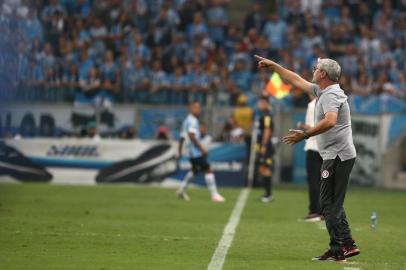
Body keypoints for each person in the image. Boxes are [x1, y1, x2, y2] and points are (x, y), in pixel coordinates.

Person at [255, 55, 360, 262]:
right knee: (333, 203)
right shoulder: (323, 91)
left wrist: (305, 134)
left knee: (328, 204)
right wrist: (275, 66)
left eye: (316, 67)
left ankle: (339, 248)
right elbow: (295, 79)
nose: (313, 70)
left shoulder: (329, 95)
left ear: (323, 74)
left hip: (337, 155)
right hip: (337, 154)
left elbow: (330, 121)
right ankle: (346, 244)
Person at [176, 101, 225, 202]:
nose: (199, 110)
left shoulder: (186, 120)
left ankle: (181, 190)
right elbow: (191, 136)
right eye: (196, 108)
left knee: (195, 170)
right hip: (195, 152)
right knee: (208, 169)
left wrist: (179, 151)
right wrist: (202, 149)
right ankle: (215, 195)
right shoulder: (192, 121)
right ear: (191, 108)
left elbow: (181, 137)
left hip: (191, 152)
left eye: (199, 108)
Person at [297, 95, 323, 221]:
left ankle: (315, 211)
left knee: (313, 181)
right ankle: (324, 211)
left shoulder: (313, 104)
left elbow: (314, 127)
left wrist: (302, 126)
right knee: (323, 182)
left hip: (314, 146)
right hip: (325, 147)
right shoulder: (328, 102)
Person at [256, 95, 274, 203]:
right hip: (263, 146)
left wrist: (263, 145)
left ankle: (268, 195)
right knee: (262, 168)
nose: (260, 105)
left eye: (262, 103)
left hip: (266, 146)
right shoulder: (263, 115)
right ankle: (267, 194)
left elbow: (267, 130)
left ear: (266, 104)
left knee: (265, 168)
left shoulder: (267, 116)